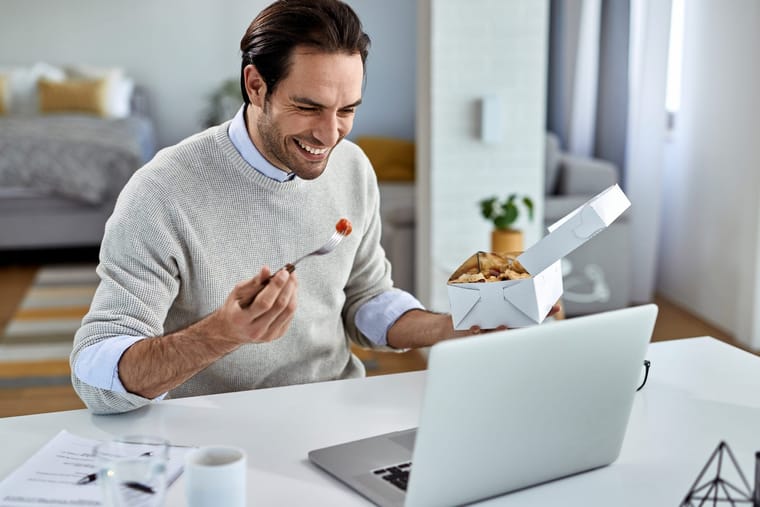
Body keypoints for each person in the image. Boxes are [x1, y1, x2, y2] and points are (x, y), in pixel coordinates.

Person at [70, 0, 554, 415]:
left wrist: (450, 330)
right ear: (256, 86)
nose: (330, 135)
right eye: (309, 107)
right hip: (213, 439)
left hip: (335, 416)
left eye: (347, 110)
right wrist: (220, 335)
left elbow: (366, 298)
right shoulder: (161, 193)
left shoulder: (353, 169)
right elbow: (96, 374)